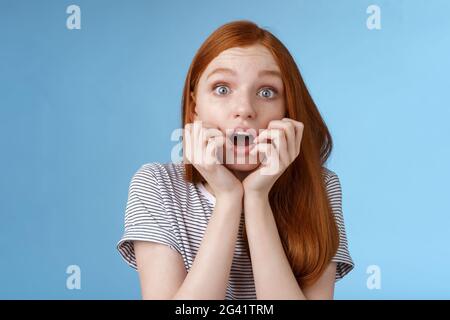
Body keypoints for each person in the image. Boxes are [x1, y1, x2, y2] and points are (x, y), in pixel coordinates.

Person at [117, 20, 354, 300]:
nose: (244, 109)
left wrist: (256, 197)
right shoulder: (156, 184)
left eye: (267, 92)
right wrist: (229, 198)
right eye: (222, 89)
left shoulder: (321, 186)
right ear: (195, 107)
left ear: (287, 110)